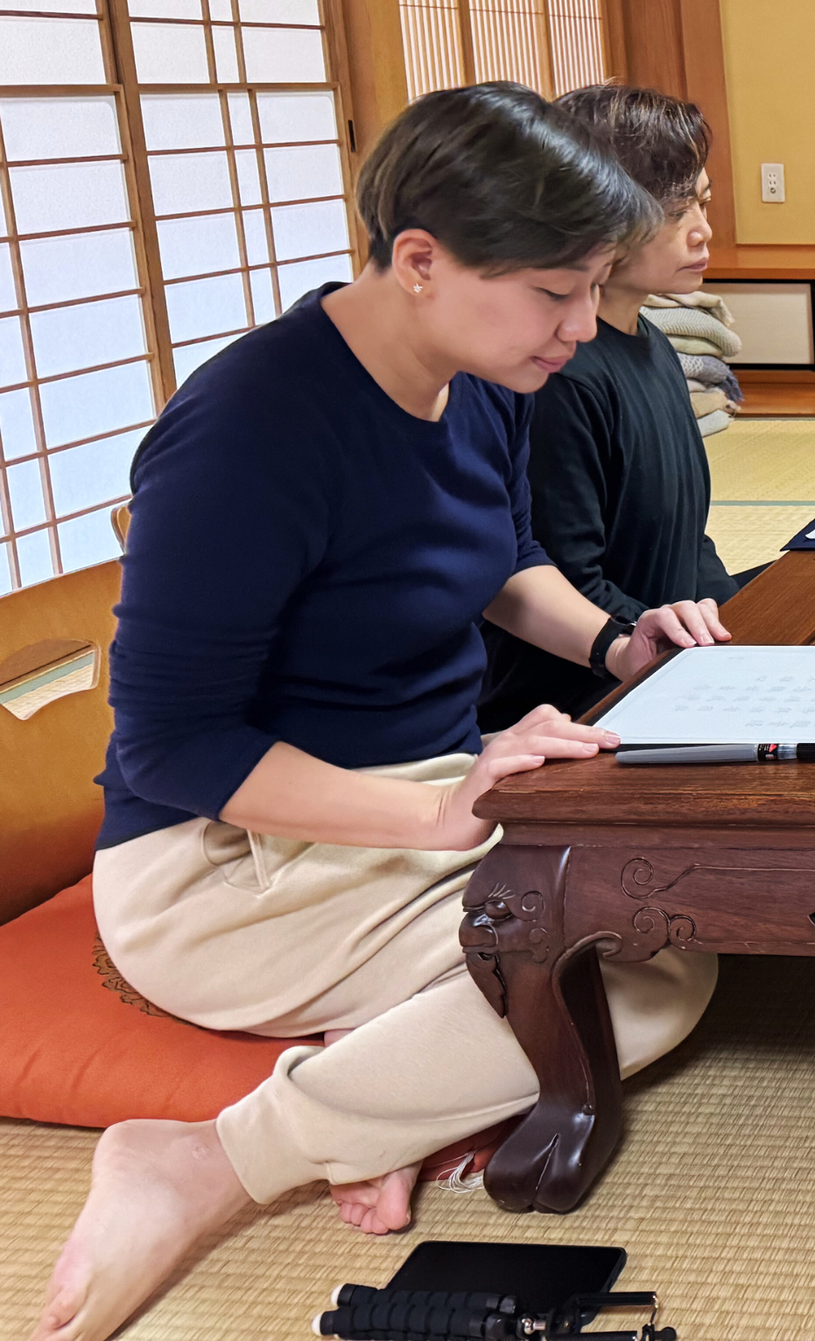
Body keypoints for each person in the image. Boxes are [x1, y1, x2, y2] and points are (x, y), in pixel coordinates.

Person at [34, 84, 730, 1341]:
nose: (580, 329)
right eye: (553, 294)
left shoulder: (482, 376)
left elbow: (506, 562)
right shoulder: (250, 426)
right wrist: (436, 819)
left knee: (661, 909)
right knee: (637, 971)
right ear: (420, 260)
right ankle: (203, 1163)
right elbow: (172, 746)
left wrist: (617, 639)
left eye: (591, 291)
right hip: (224, 857)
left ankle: (385, 1088)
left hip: (407, 805)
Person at [479, 84, 744, 730]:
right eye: (677, 211)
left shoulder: (651, 341)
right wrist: (644, 644)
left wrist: (742, 621)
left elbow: (688, 543)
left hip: (665, 653)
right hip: (577, 696)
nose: (703, 231)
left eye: (703, 204)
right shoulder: (556, 374)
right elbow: (561, 578)